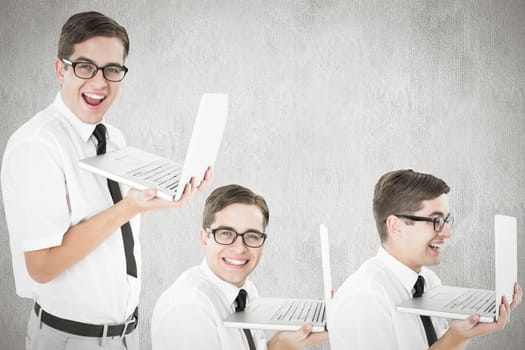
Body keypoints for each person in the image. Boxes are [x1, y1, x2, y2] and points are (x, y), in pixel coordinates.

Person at [1, 11, 211, 350]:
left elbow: (112, 234)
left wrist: (167, 191)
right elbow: (40, 266)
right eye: (85, 66)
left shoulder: (113, 138)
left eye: (112, 69)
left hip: (125, 336)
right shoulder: (37, 144)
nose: (100, 82)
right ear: (60, 70)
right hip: (72, 340)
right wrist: (129, 207)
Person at [329, 169, 522, 350]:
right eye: (435, 221)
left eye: (446, 221)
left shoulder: (427, 281)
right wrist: (454, 337)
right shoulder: (365, 299)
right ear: (396, 226)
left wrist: (462, 335)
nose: (447, 233)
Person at [151, 184, 328, 349]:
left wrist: (279, 343)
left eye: (252, 236)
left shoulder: (246, 292)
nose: (239, 248)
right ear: (204, 239)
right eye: (226, 233)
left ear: (262, 244)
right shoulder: (190, 307)